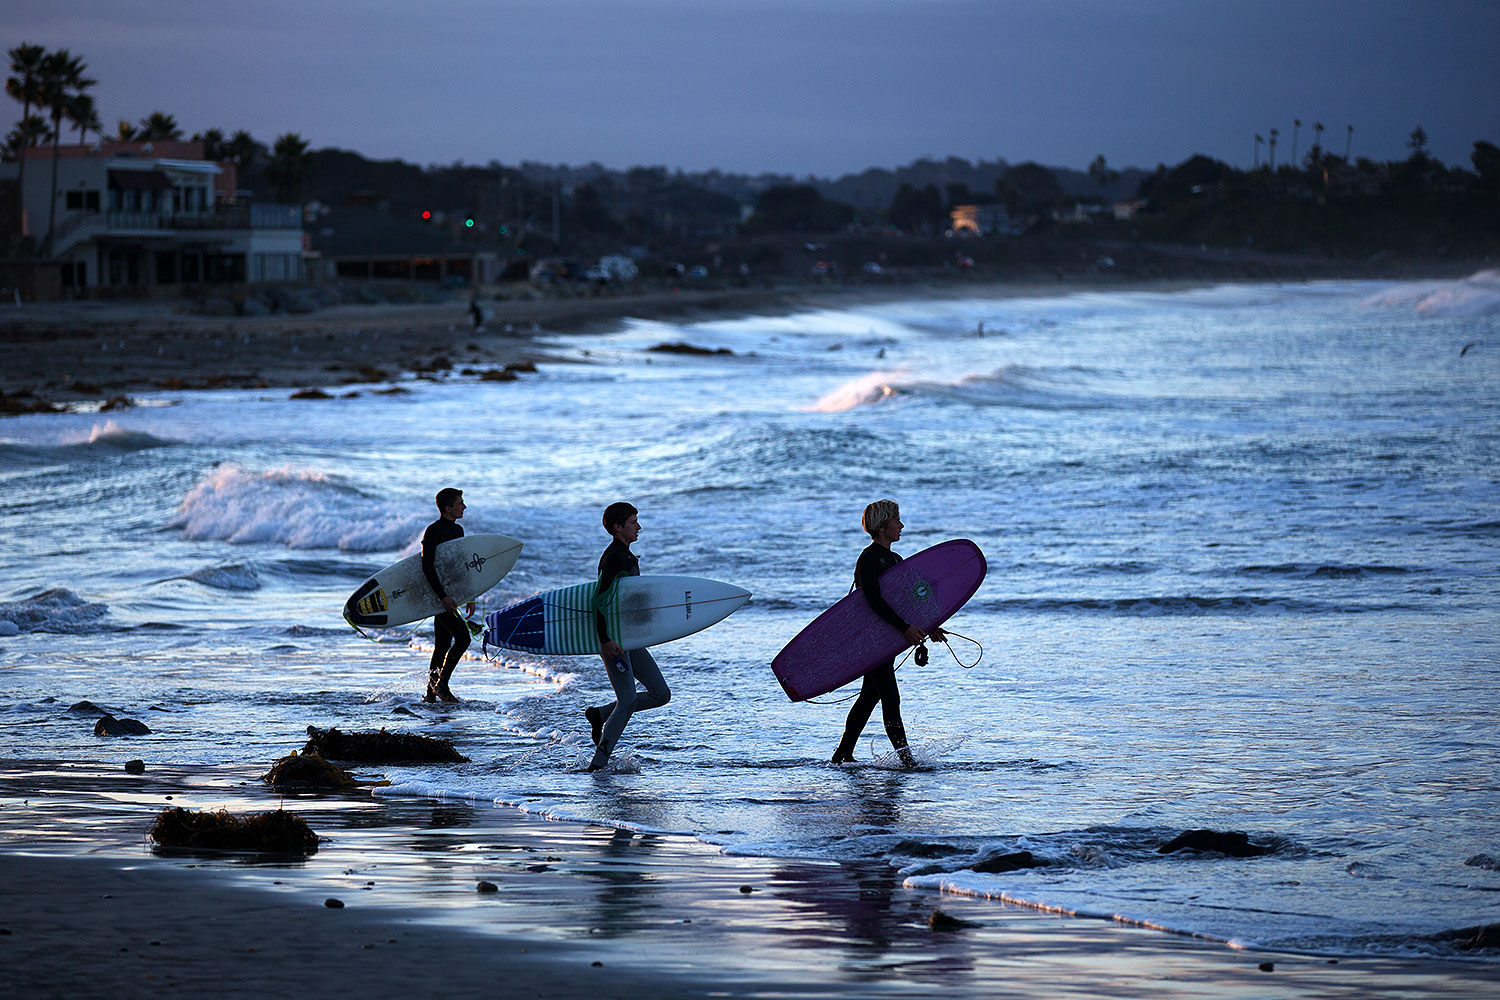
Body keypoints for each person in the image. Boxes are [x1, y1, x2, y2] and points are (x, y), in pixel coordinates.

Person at [831, 499, 945, 767]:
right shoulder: (868, 559)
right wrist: (904, 628)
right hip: (872, 639)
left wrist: (931, 624)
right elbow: (874, 601)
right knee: (890, 697)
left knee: (870, 695)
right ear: (883, 525)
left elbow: (908, 601)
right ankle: (907, 760)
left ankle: (842, 754)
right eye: (896, 520)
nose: (901, 525)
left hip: (888, 637)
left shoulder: (895, 559)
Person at [582, 502, 671, 771]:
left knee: (660, 694)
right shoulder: (614, 558)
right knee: (628, 700)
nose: (639, 527)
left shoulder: (627, 555)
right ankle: (598, 764)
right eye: (633, 522)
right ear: (618, 527)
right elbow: (598, 600)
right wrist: (605, 639)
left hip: (629, 638)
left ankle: (598, 715)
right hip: (615, 641)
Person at [420, 488, 474, 703]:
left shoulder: (458, 531)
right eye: (460, 503)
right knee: (463, 638)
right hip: (437, 594)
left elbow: (460, 567)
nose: (464, 506)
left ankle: (431, 693)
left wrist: (470, 595)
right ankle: (442, 685)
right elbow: (427, 567)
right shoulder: (433, 532)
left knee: (442, 644)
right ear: (448, 508)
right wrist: (441, 596)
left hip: (449, 595)